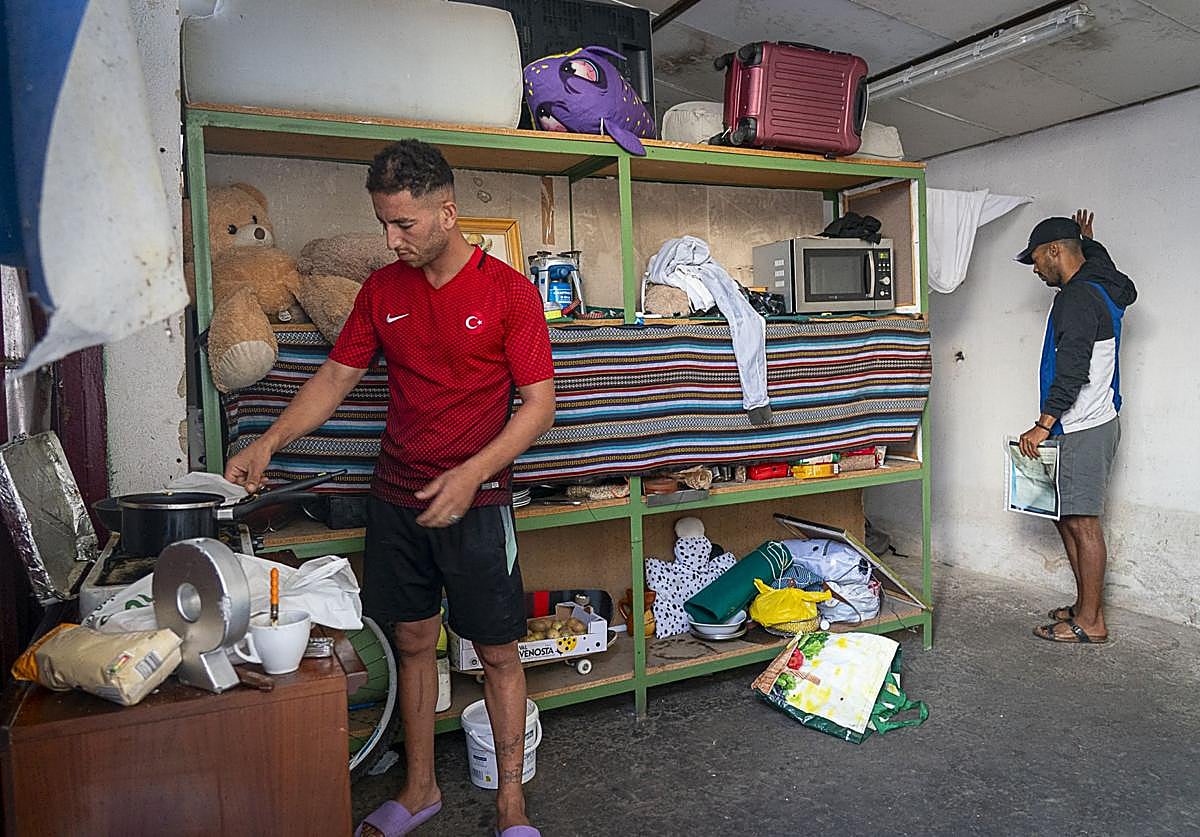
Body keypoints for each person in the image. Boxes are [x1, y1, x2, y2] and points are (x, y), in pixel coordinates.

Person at [224, 139, 554, 837]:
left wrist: (472, 472)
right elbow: (335, 379)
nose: (389, 238)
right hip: (397, 495)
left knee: (497, 650)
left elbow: (538, 404)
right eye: (382, 222)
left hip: (479, 501)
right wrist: (267, 441)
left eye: (403, 224)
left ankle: (511, 806)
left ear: (447, 211)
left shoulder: (508, 294)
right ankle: (420, 788)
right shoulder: (382, 291)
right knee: (410, 638)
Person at [1014, 209, 1136, 644]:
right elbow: (1102, 266)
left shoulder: (1078, 297)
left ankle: (1091, 622)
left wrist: (1043, 424)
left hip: (1082, 424)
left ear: (1055, 251)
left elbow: (1073, 367)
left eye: (1036, 258)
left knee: (1082, 523)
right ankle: (1087, 605)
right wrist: (1090, 242)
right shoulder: (1099, 283)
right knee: (1064, 517)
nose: (1035, 268)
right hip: (1082, 425)